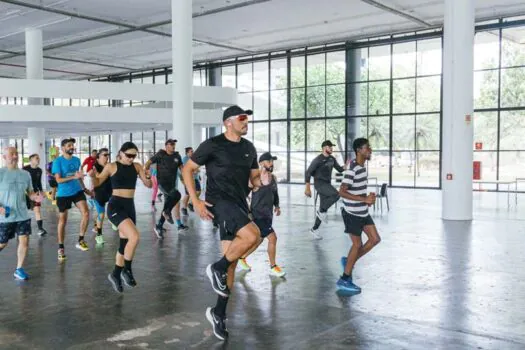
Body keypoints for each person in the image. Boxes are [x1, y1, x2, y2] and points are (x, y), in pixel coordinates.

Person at [182, 105, 262, 341]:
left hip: (238, 204)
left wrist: (261, 180)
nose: (246, 122)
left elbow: (254, 178)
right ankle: (215, 267)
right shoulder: (213, 144)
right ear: (228, 122)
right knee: (252, 236)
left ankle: (218, 312)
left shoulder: (249, 148)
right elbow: (188, 169)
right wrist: (195, 201)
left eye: (247, 118)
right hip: (219, 201)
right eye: (242, 118)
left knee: (232, 263)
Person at [91, 142, 152, 293]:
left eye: (134, 156)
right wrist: (92, 177)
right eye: (128, 155)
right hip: (116, 206)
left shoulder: (137, 167)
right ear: (121, 153)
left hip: (130, 207)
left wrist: (149, 177)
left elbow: (148, 184)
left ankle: (115, 274)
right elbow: (98, 181)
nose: (131, 158)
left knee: (124, 245)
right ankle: (127, 270)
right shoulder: (112, 166)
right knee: (135, 237)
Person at [337, 138, 381, 293]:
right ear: (359, 150)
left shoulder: (362, 168)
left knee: (375, 239)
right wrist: (364, 199)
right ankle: (344, 279)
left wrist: (367, 198)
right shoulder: (352, 169)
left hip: (362, 211)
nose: (370, 150)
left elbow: (356, 190)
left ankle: (349, 260)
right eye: (367, 147)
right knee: (357, 245)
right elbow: (342, 191)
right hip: (352, 213)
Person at [238, 152, 285, 277]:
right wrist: (247, 212)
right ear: (261, 163)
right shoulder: (255, 179)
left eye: (272, 161)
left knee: (258, 241)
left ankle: (241, 258)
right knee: (273, 238)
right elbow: (243, 195)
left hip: (268, 215)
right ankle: (273, 266)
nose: (271, 164)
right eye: (269, 161)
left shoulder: (273, 178)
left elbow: (275, 193)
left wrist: (277, 206)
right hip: (258, 215)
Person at [0, 147, 42, 280]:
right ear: (4, 157)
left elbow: (29, 192)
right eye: (12, 154)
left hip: (23, 215)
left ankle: (19, 269)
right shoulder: (1, 173)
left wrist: (35, 196)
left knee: (24, 241)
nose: (15, 156)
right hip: (5, 217)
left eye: (16, 154)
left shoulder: (25, 174)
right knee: (2, 243)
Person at [52, 138, 92, 261]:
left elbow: (78, 177)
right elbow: (58, 180)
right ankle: (61, 247)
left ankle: (80, 240)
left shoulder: (77, 160)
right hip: (63, 194)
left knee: (86, 213)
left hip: (77, 191)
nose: (71, 147)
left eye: (72, 145)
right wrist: (74, 176)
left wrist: (85, 189)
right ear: (63, 148)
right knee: (63, 221)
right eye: (69, 145)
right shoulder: (58, 161)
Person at [145, 139, 188, 238]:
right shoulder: (161, 154)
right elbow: (148, 163)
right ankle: (167, 214)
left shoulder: (177, 156)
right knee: (177, 195)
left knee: (167, 206)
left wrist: (187, 175)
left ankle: (159, 226)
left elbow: (182, 168)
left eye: (174, 144)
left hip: (171, 184)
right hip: (162, 183)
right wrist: (147, 173)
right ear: (166, 146)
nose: (173, 146)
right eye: (171, 144)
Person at [304, 140, 345, 239]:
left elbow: (339, 169)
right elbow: (308, 172)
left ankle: (314, 229)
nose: (331, 148)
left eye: (332, 147)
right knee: (336, 194)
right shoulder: (318, 159)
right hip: (319, 184)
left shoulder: (332, 159)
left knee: (323, 208)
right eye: (329, 147)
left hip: (327, 184)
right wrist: (308, 188)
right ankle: (321, 213)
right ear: (324, 148)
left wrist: (345, 167)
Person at [90, 148, 111, 245]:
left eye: (108, 155)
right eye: (105, 155)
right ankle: (99, 235)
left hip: (110, 192)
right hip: (99, 194)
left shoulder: (110, 166)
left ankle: (97, 223)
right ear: (98, 157)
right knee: (102, 215)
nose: (107, 157)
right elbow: (98, 177)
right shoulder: (96, 166)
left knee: (115, 209)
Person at [22, 154, 47, 236]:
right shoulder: (25, 169)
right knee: (24, 211)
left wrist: (41, 191)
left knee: (37, 210)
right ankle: (21, 229)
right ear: (31, 159)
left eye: (39, 158)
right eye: (36, 158)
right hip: (25, 193)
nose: (38, 159)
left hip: (35, 193)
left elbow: (38, 182)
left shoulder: (39, 170)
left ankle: (40, 229)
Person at [181, 147, 201, 216]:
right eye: (191, 151)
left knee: (198, 191)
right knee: (188, 194)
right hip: (188, 179)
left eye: (193, 151)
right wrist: (194, 171)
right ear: (187, 153)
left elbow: (196, 167)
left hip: (195, 178)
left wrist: (198, 174)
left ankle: (190, 204)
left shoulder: (193, 158)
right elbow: (185, 170)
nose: (193, 152)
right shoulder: (185, 159)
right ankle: (184, 208)